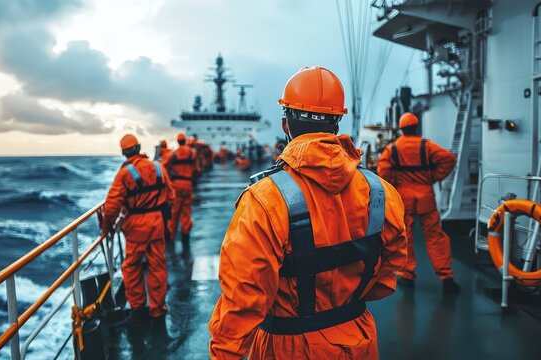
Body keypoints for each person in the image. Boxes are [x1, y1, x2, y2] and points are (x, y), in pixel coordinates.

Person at [209, 66, 408, 359]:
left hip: (288, 345)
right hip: (358, 338)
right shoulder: (381, 191)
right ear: (337, 123)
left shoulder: (265, 198)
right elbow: (391, 265)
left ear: (285, 125)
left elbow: (244, 297)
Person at [377, 112, 460, 293]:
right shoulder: (427, 146)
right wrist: (434, 177)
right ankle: (446, 277)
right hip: (426, 198)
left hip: (404, 198)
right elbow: (449, 159)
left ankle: (407, 275)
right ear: (416, 127)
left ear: (402, 128)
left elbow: (382, 173)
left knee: (405, 238)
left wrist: (396, 184)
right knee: (435, 237)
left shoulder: (392, 149)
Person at [101, 134, 175, 324]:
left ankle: (137, 310)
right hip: (157, 222)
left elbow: (111, 206)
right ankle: (158, 310)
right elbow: (171, 197)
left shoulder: (125, 174)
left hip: (135, 226)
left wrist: (106, 227)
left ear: (124, 152)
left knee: (132, 267)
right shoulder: (159, 168)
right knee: (157, 266)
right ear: (139, 147)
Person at [163, 132, 200, 252]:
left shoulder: (173, 154)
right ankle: (185, 238)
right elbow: (197, 169)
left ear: (178, 141)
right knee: (186, 212)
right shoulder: (192, 153)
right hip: (188, 185)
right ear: (185, 140)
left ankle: (171, 239)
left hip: (176, 186)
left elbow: (162, 168)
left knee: (174, 213)